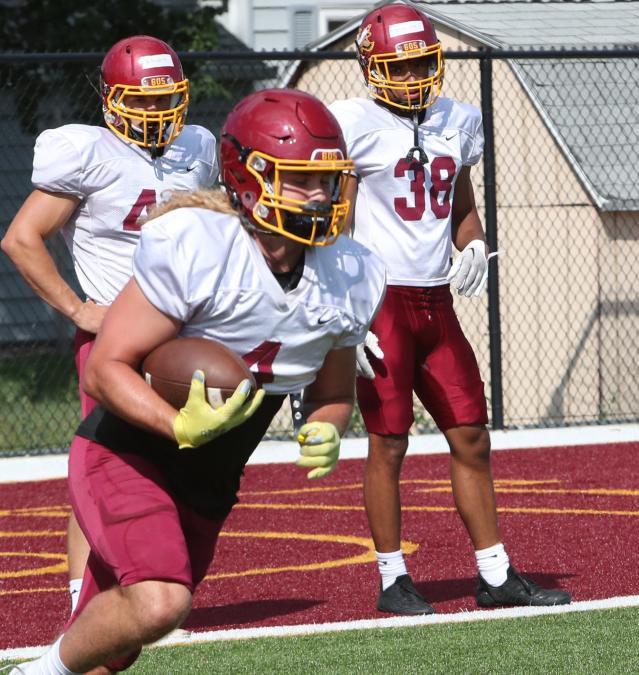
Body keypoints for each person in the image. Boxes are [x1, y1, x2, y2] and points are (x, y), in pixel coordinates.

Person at [16, 88, 386, 675]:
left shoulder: (352, 272)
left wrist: (327, 428)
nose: (320, 196)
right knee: (162, 600)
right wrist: (174, 421)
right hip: (128, 454)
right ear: (249, 177)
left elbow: (333, 395)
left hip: (211, 481)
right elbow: (107, 367)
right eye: (299, 180)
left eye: (327, 180)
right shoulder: (199, 245)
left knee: (114, 649)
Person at [329, 3, 571, 615]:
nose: (411, 77)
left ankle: (494, 573)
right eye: (398, 66)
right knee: (388, 443)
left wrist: (476, 242)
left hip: (436, 303)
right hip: (380, 301)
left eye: (419, 64)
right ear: (371, 66)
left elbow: (461, 203)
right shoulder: (352, 122)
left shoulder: (457, 120)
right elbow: (335, 221)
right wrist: (345, 308)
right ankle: (392, 578)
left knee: (471, 435)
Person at [0, 35, 218, 615]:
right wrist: (77, 310)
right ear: (111, 98)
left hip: (181, 334)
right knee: (107, 466)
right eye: (141, 101)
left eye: (164, 99)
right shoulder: (86, 151)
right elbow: (21, 239)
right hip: (115, 338)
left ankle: (159, 586)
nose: (154, 112)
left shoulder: (196, 147)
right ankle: (83, 599)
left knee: (181, 461)